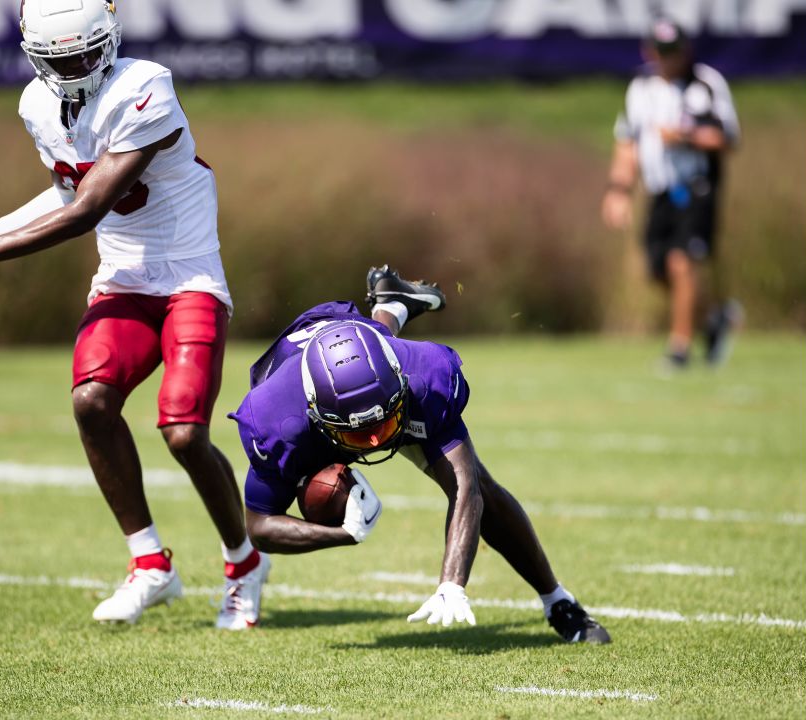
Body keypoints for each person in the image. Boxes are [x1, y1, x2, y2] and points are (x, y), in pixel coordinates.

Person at [0, 1, 262, 630]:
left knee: (182, 431)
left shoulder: (143, 85)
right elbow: (67, 188)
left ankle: (244, 563)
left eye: (85, 53)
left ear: (110, 42)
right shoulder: (36, 105)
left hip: (188, 280)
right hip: (122, 281)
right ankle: (150, 565)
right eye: (60, 57)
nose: (74, 68)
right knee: (91, 401)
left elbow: (87, 209)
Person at [227, 266, 611, 642]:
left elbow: (465, 487)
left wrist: (452, 584)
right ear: (315, 414)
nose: (376, 442)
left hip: (375, 379)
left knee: (482, 487)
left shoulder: (423, 377)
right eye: (362, 436)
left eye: (382, 427)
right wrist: (342, 534)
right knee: (319, 493)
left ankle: (559, 602)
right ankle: (393, 304)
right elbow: (260, 526)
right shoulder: (278, 420)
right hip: (310, 380)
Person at [601, 18, 743, 370]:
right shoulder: (640, 87)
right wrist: (619, 191)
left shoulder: (705, 83)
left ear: (685, 51)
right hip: (659, 189)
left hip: (696, 186)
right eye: (660, 53)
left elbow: (727, 137)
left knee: (682, 264)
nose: (667, 60)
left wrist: (685, 136)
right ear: (649, 52)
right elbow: (627, 142)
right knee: (657, 271)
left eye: (673, 53)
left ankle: (679, 349)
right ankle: (714, 318)